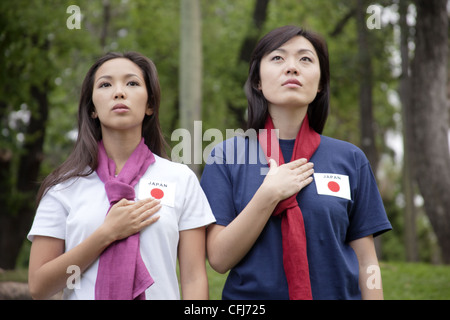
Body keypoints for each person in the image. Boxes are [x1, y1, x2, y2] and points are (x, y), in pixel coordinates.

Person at [200, 25, 392, 300]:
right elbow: (218, 258)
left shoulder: (350, 159)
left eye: (305, 59)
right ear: (257, 81)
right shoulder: (226, 156)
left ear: (321, 83)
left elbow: (367, 262)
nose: (292, 67)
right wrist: (268, 195)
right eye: (277, 58)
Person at [28, 52, 215, 300]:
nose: (119, 92)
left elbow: (193, 278)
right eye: (105, 84)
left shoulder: (180, 178)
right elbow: (39, 287)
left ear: (150, 105)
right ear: (92, 108)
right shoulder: (64, 187)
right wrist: (106, 234)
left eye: (132, 83)